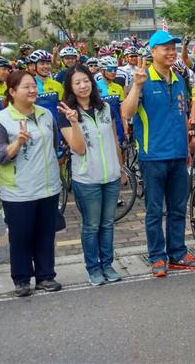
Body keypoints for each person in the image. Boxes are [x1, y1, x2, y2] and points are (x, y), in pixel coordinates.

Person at [121, 30, 195, 277]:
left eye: (173, 48)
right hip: (153, 156)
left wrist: (186, 149)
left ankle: (177, 253)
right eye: (165, 48)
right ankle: (157, 256)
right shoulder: (142, 79)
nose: (171, 52)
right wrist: (136, 86)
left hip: (178, 155)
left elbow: (181, 116)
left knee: (178, 208)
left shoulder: (179, 79)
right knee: (155, 210)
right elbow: (126, 112)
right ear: (153, 51)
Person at [0, 70, 62, 297]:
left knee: (45, 234)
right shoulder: (0, 121)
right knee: (20, 237)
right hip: (18, 191)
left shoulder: (46, 114)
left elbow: (55, 145)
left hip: (47, 186)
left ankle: (45, 275)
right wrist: (17, 143)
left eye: (33, 86)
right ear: (12, 92)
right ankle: (21, 279)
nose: (32, 90)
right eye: (26, 87)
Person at [58, 65, 125, 286]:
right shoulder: (66, 113)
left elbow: (114, 138)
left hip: (111, 176)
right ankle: (93, 268)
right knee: (92, 225)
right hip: (87, 179)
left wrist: (120, 167)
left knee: (107, 224)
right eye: (77, 82)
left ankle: (107, 264)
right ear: (70, 86)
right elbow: (78, 148)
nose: (83, 86)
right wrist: (75, 121)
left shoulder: (104, 107)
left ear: (92, 82)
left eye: (86, 81)